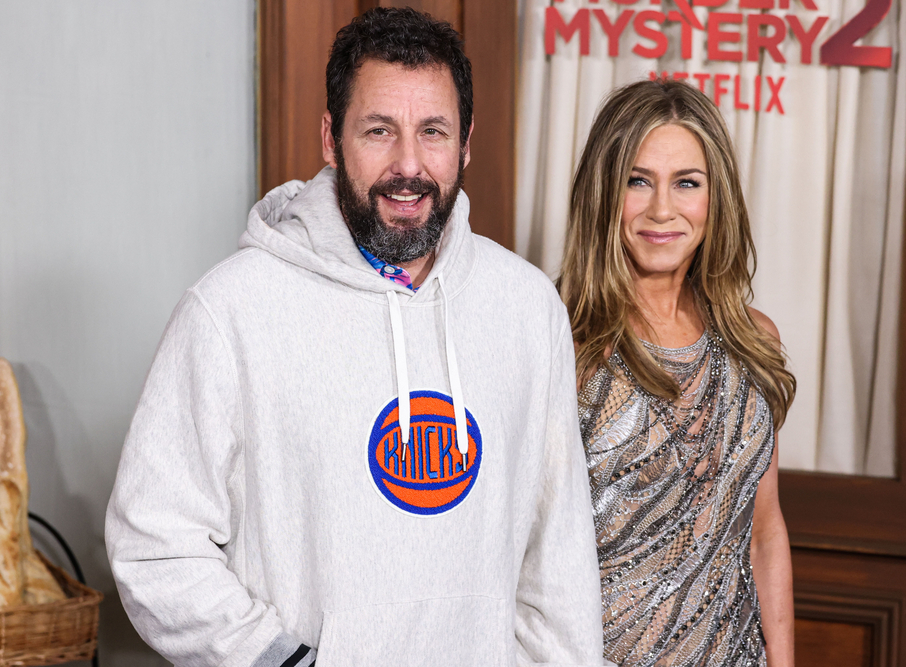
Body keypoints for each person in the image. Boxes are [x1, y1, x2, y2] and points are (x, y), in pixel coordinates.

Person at [106, 8, 605, 667]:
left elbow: (558, 564)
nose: (408, 165)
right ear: (330, 139)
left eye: (433, 132)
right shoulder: (231, 312)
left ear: (465, 143)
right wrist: (283, 660)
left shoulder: (527, 308)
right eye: (378, 130)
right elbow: (154, 546)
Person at [558, 79, 796, 667]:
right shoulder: (563, 343)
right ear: (603, 192)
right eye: (637, 181)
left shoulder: (752, 340)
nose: (661, 209)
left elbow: (764, 532)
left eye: (686, 183)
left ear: (717, 197)